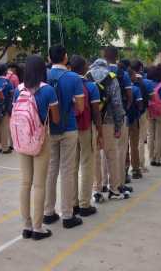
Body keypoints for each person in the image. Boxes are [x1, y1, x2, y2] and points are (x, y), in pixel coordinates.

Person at [16, 55, 59, 241]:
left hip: (22, 140)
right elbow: (55, 119)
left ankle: (26, 225)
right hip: (40, 139)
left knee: (25, 183)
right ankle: (38, 227)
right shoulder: (48, 90)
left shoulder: (18, 89)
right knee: (39, 184)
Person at [43, 45, 84, 229]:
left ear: (49, 58)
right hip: (68, 128)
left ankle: (48, 212)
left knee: (51, 170)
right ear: (65, 57)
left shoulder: (44, 76)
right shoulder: (73, 78)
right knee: (67, 170)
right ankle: (68, 215)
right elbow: (81, 108)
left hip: (49, 128)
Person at [90, 58, 128, 200]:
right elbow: (117, 104)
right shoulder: (112, 78)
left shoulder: (87, 76)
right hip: (108, 121)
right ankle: (114, 190)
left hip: (92, 123)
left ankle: (97, 190)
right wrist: (118, 126)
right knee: (111, 156)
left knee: (94, 156)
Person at [69, 55, 99, 216]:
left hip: (70, 128)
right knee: (87, 164)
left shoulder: (66, 83)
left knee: (72, 167)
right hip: (86, 127)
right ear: (84, 68)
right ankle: (85, 204)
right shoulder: (90, 86)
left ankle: (73, 203)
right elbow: (95, 111)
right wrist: (99, 130)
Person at [145, 66, 161, 167]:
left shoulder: (147, 84)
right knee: (158, 136)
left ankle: (151, 158)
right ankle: (158, 159)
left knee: (150, 135)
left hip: (149, 111)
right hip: (160, 112)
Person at [0, 64, 14, 154]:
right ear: (5, 72)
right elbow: (12, 94)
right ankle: (5, 147)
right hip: (5, 106)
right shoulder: (8, 82)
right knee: (4, 127)